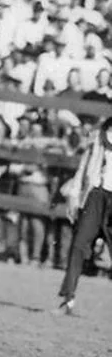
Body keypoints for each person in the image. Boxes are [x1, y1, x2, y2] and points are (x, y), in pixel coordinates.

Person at [54, 115, 112, 315]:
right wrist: (73, 196)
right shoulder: (99, 135)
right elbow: (83, 167)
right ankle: (68, 299)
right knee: (79, 244)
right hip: (95, 195)